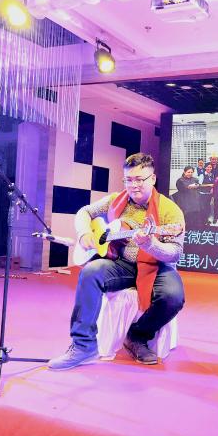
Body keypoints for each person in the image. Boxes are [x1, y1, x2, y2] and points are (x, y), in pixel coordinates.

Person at [49, 153, 186, 369]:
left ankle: (137, 336)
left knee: (173, 297)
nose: (133, 185)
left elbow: (175, 253)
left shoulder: (170, 210)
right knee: (91, 272)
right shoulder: (116, 199)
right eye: (128, 179)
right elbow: (84, 212)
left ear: (152, 178)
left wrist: (150, 244)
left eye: (139, 179)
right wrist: (85, 233)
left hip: (157, 266)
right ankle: (83, 345)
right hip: (122, 262)